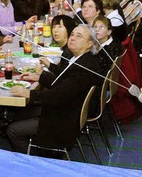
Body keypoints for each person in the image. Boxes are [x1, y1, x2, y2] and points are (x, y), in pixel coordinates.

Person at [7, 25, 101, 153]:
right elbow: (63, 83)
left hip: (62, 120)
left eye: (78, 36)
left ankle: (36, 162)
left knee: (13, 130)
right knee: (19, 113)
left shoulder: (84, 68)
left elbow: (57, 96)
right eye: (72, 34)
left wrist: (29, 93)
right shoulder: (82, 59)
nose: (72, 38)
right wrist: (40, 77)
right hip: (68, 110)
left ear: (90, 44)